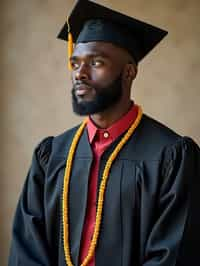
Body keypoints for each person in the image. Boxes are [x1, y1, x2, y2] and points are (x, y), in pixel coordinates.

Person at [8, 0, 200, 265]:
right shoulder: (50, 156)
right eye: (75, 64)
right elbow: (27, 250)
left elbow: (175, 255)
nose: (80, 74)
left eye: (96, 62)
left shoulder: (172, 156)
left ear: (129, 71)